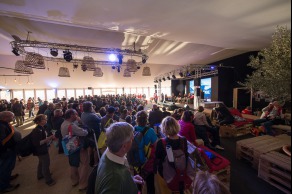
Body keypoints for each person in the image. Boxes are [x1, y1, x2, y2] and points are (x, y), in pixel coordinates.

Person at [95, 122, 144, 194]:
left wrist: (129, 179)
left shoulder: (109, 152)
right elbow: (114, 182)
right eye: (131, 139)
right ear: (124, 146)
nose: (133, 139)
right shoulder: (114, 178)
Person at [61, 109, 90, 191]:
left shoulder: (64, 123)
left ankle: (74, 181)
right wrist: (82, 123)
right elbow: (84, 132)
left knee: (73, 164)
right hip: (77, 146)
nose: (77, 115)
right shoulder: (71, 126)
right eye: (75, 114)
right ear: (71, 115)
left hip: (69, 146)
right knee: (85, 163)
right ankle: (83, 184)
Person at [134, 110, 158, 194]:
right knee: (150, 184)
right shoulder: (150, 131)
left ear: (136, 120)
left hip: (136, 161)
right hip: (148, 162)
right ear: (146, 119)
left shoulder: (133, 130)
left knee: (137, 182)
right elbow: (156, 145)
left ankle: (139, 191)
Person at [31, 114, 56, 186]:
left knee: (41, 162)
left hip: (41, 149)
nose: (46, 120)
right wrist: (49, 138)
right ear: (39, 121)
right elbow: (38, 143)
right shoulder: (37, 130)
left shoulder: (41, 127)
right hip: (41, 150)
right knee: (46, 164)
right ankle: (48, 180)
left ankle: (40, 175)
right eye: (44, 119)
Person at [0, 111, 20, 193]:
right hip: (6, 151)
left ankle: (7, 177)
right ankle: (3, 186)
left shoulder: (5, 124)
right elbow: (2, 141)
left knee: (9, 166)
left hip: (10, 149)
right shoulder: (1, 126)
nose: (13, 118)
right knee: (5, 167)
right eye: (12, 116)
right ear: (5, 117)